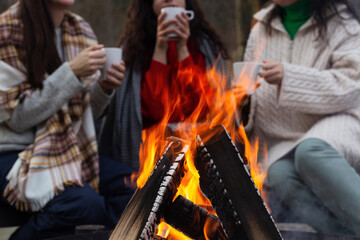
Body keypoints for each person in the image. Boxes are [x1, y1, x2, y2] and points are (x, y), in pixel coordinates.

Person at [0, 0, 135, 239]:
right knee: (83, 204)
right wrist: (71, 72)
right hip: (17, 153)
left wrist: (103, 88)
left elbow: (83, 118)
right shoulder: (7, 29)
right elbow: (19, 117)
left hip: (69, 147)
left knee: (134, 189)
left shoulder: (80, 30)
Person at [243, 0, 360, 235]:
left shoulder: (342, 22)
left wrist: (290, 77)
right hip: (283, 138)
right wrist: (241, 104)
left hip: (339, 120)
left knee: (310, 152)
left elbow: (351, 84)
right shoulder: (260, 28)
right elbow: (251, 93)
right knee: (278, 174)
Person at [99, 0, 229, 170]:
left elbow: (204, 107)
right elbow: (153, 111)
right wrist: (160, 48)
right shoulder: (134, 50)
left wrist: (182, 48)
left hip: (199, 151)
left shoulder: (206, 47)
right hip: (149, 155)